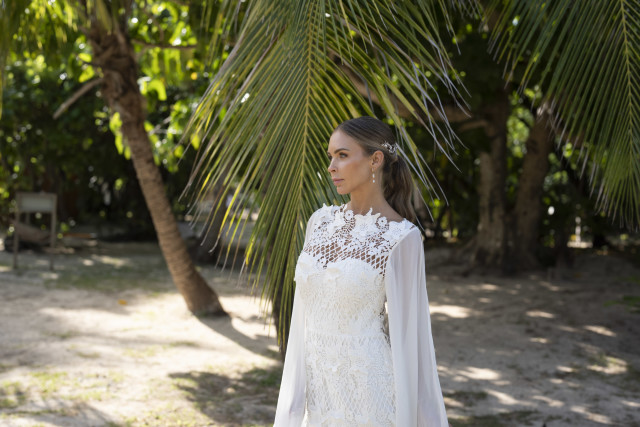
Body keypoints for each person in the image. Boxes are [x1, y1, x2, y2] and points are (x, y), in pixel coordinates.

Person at [274, 116, 448, 426]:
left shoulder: (402, 238)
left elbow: (413, 342)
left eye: (342, 155)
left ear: (375, 160)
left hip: (371, 398)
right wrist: (290, 410)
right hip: (320, 396)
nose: (332, 166)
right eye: (331, 156)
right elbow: (301, 320)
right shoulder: (319, 223)